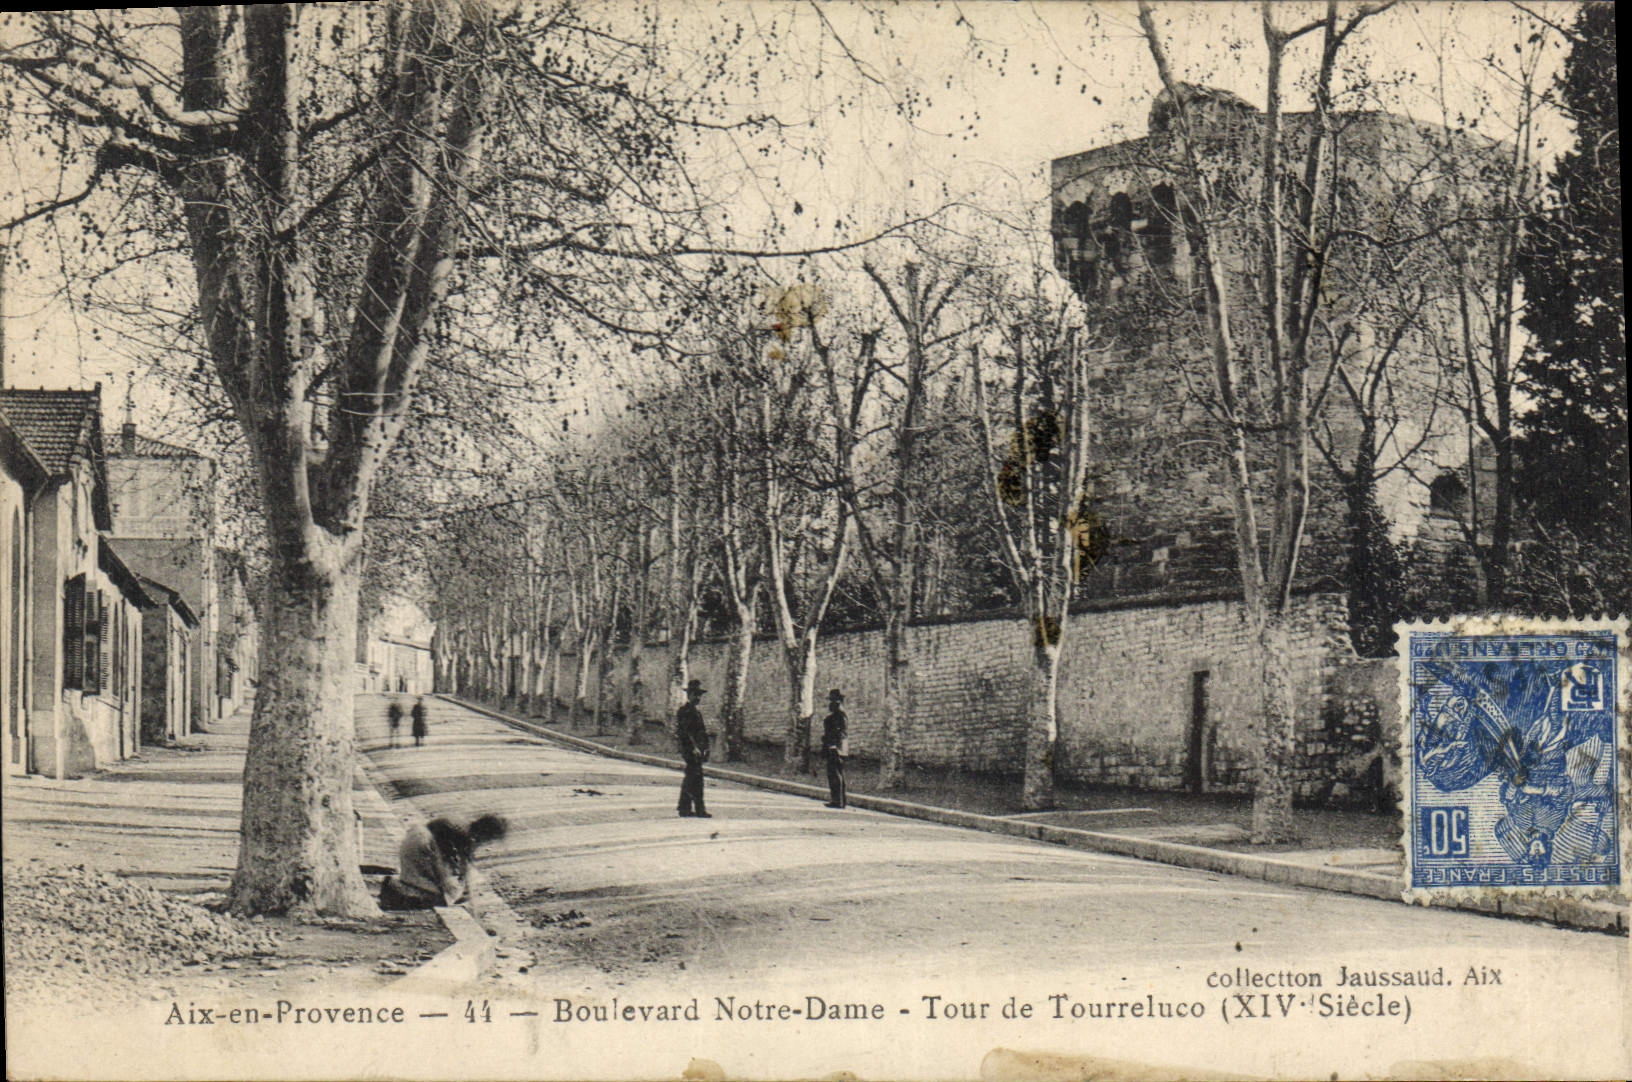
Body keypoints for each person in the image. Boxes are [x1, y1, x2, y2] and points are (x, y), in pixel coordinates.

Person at [379, 813, 508, 910]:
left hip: (415, 841)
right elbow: (448, 866)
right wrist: (455, 892)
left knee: (443, 889)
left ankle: (400, 889)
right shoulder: (465, 836)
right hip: (421, 847)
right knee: (445, 896)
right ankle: (398, 894)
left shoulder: (463, 826)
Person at [676, 678, 712, 818]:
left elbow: (702, 732)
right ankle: (698, 809)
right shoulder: (684, 711)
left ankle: (684, 808)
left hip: (698, 749)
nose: (698, 698)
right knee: (696, 778)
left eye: (699, 695)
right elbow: (685, 732)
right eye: (695, 695)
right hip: (690, 750)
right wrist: (693, 747)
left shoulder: (696, 712)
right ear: (689, 695)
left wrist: (705, 747)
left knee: (692, 778)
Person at [821, 688, 848, 809]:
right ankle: (838, 800)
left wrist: (834, 745)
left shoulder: (839, 714)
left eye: (833, 700)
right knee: (835, 773)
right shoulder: (838, 713)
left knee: (835, 774)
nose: (831, 703)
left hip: (836, 747)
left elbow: (840, 732)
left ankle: (838, 801)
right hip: (836, 746)